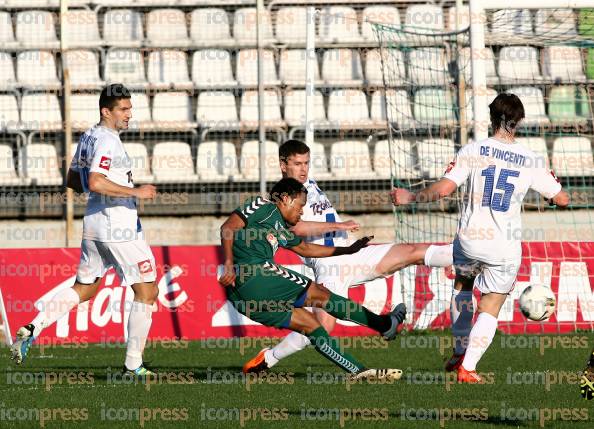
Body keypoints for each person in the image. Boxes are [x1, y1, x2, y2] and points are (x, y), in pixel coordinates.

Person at [392, 93, 570, 383]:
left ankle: (460, 349)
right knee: (491, 304)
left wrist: (411, 196)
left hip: (470, 239)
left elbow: (445, 189)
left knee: (463, 287)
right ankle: (468, 368)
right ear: (519, 121)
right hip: (503, 246)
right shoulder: (530, 159)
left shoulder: (474, 150)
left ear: (491, 118)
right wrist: (551, 198)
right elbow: (562, 199)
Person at [243, 139, 453, 374]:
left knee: (411, 252)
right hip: (329, 265)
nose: (303, 169)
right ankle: (269, 357)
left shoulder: (308, 184)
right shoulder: (282, 196)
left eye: (306, 163)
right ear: (283, 165)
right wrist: (339, 225)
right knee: (320, 327)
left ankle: (466, 257)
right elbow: (295, 229)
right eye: (297, 164)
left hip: (351, 253)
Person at [10, 84, 159, 376]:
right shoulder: (107, 140)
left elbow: (73, 179)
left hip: (93, 223)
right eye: (124, 109)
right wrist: (135, 191)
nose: (130, 115)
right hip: (118, 226)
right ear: (107, 111)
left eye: (130, 108)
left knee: (86, 288)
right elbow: (94, 182)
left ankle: (33, 327)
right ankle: (133, 366)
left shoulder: (89, 136)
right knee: (148, 290)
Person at [220, 177, 406, 380]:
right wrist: (229, 264)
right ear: (284, 199)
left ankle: (358, 371)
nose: (301, 212)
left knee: (311, 325)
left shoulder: (282, 228)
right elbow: (228, 228)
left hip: (242, 299)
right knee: (322, 294)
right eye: (300, 206)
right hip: (256, 274)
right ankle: (384, 325)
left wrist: (347, 249)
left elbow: (306, 248)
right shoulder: (262, 205)